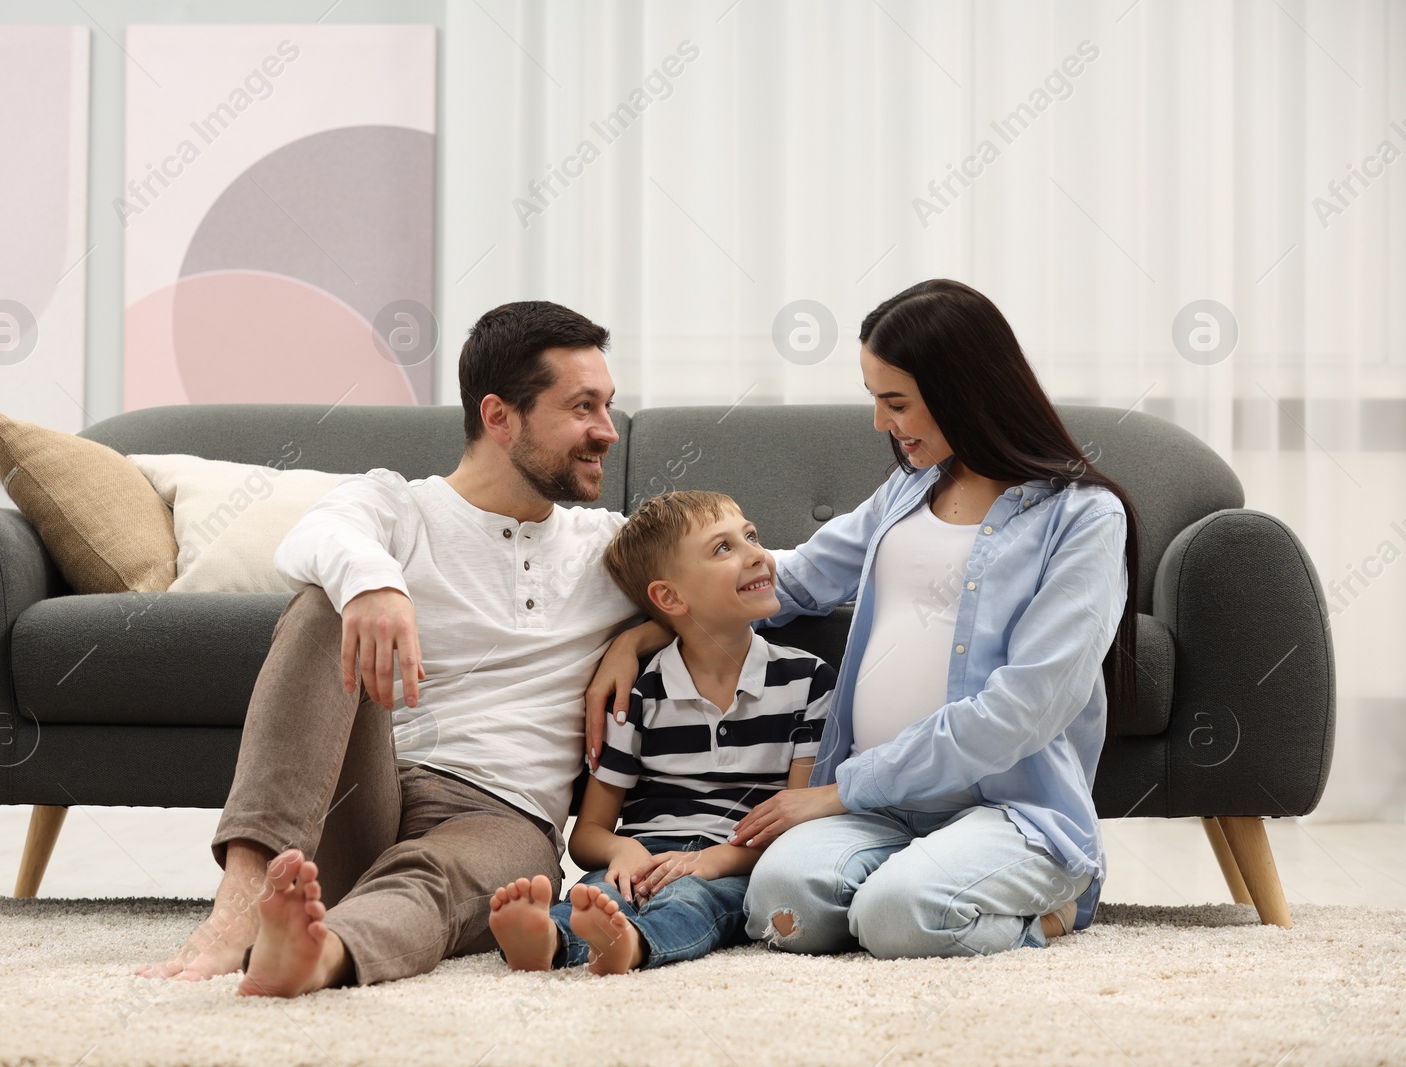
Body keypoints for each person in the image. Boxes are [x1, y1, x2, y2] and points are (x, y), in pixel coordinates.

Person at [587, 278, 1139, 959]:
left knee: (900, 916)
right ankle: (907, 881)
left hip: (1006, 808)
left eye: (896, 401)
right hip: (879, 811)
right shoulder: (908, 490)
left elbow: (1024, 708)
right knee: (780, 902)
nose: (881, 423)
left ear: (965, 391)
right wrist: (645, 631)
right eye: (876, 399)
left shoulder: (1083, 516)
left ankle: (1053, 904)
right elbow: (794, 579)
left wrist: (842, 791)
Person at [139, 300, 645, 995]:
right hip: (366, 794)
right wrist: (375, 584)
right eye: (583, 407)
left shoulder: (610, 549)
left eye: (608, 406)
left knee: (433, 880)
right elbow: (312, 539)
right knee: (325, 598)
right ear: (499, 416)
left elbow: (756, 578)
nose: (607, 431)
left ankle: (322, 951)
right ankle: (242, 907)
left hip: (498, 815)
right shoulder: (398, 507)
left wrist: (642, 633)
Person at [487, 491, 835, 974]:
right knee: (597, 891)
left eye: (751, 536)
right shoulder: (640, 694)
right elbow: (588, 834)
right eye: (724, 548)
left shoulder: (809, 680)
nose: (758, 553)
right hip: (644, 853)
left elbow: (795, 820)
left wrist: (714, 860)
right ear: (670, 597)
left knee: (692, 901)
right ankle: (547, 938)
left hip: (736, 862)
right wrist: (623, 850)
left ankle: (630, 945)